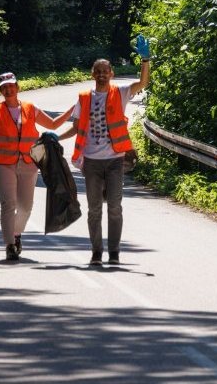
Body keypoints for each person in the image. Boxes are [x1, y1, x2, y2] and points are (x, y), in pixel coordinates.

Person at [66, 35, 153, 266]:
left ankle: (114, 252)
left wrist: (145, 60)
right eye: (98, 71)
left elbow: (143, 83)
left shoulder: (120, 92)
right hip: (91, 161)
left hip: (115, 160)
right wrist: (54, 137)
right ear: (92, 74)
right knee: (94, 209)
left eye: (106, 71)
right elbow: (76, 127)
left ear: (111, 74)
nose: (102, 74)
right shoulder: (84, 98)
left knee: (115, 207)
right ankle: (96, 252)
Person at [0, 71, 70, 261]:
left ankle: (16, 234)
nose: (8, 90)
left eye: (11, 86)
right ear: (0, 90)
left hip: (28, 163)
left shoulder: (30, 108)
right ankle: (9, 245)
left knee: (26, 207)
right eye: (4, 87)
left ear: (17, 87)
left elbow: (53, 124)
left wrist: (74, 108)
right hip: (2, 164)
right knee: (8, 204)